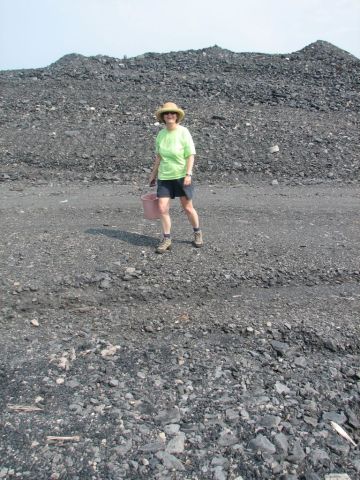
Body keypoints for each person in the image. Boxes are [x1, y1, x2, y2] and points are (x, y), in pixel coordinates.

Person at [149, 102, 203, 254]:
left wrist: (188, 174)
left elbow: (191, 154)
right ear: (163, 117)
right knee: (162, 208)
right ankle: (167, 238)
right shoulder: (161, 134)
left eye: (172, 113)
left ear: (177, 116)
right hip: (165, 177)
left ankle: (197, 233)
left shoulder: (183, 132)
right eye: (166, 113)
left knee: (187, 208)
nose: (169, 115)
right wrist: (153, 175)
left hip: (181, 176)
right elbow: (159, 157)